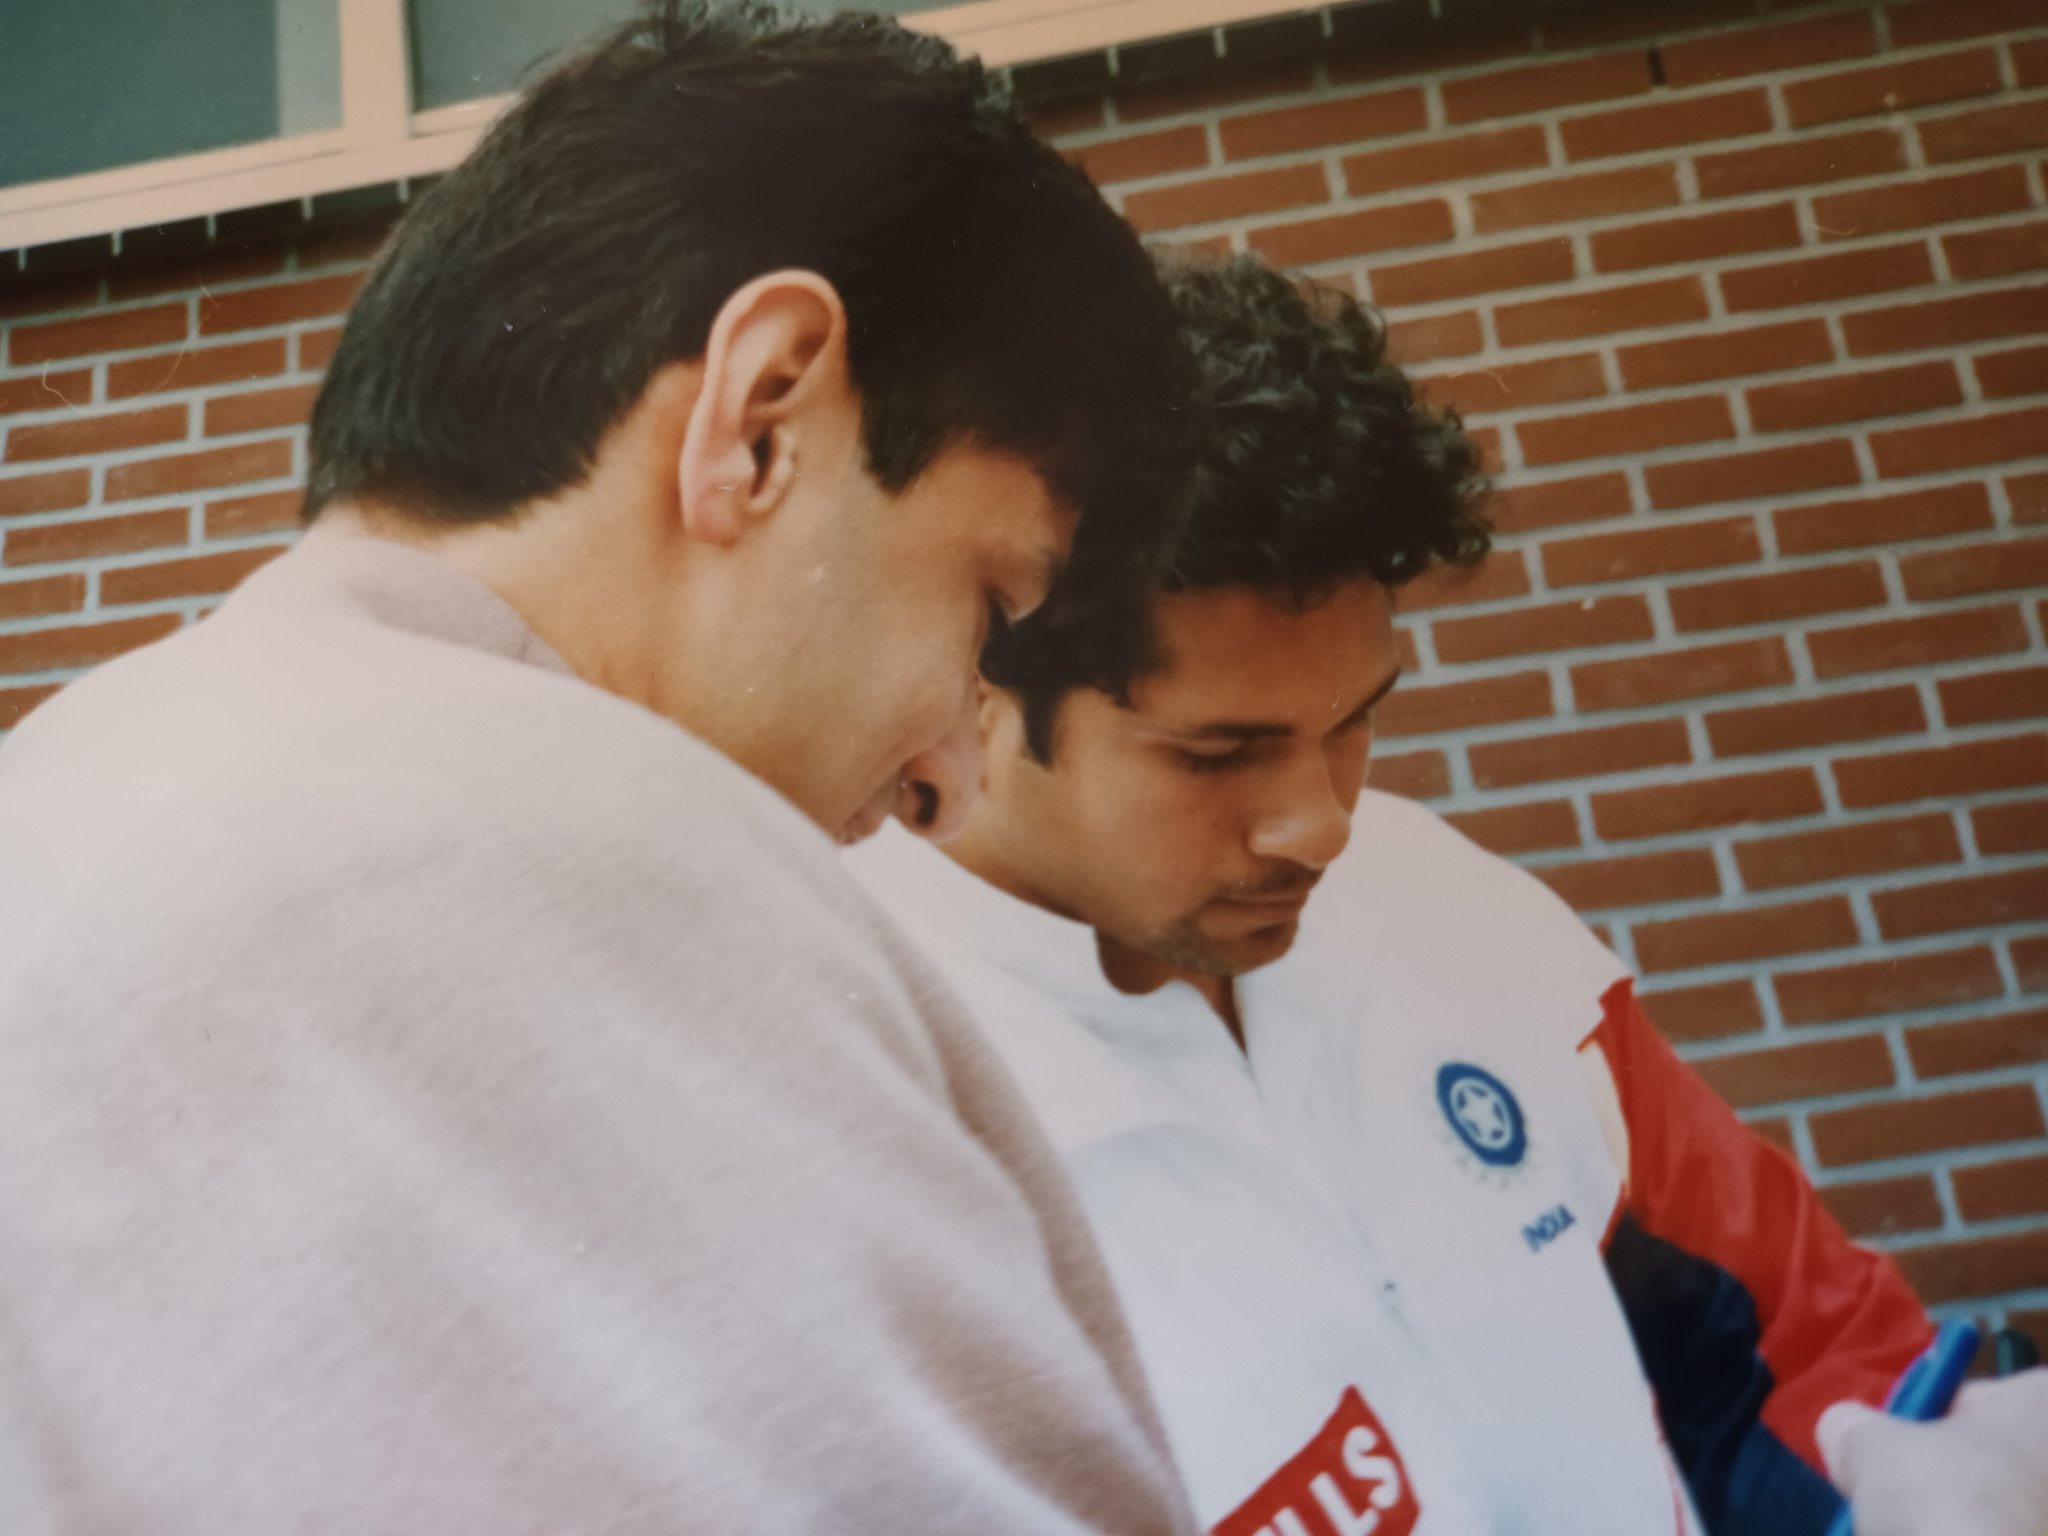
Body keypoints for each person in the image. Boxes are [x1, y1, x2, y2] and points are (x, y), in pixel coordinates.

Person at [0, 4, 1203, 1531]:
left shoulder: (99, 781)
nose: (950, 787)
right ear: (762, 416)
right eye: (992, 609)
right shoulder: (507, 854)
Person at [847, 252, 2048, 1536]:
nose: (1322, 823)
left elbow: (1787, 1347)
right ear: (965, 684)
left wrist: (1909, 1478)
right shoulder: (851, 1114)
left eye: (1354, 722)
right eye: (1218, 753)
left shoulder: (1442, 907)